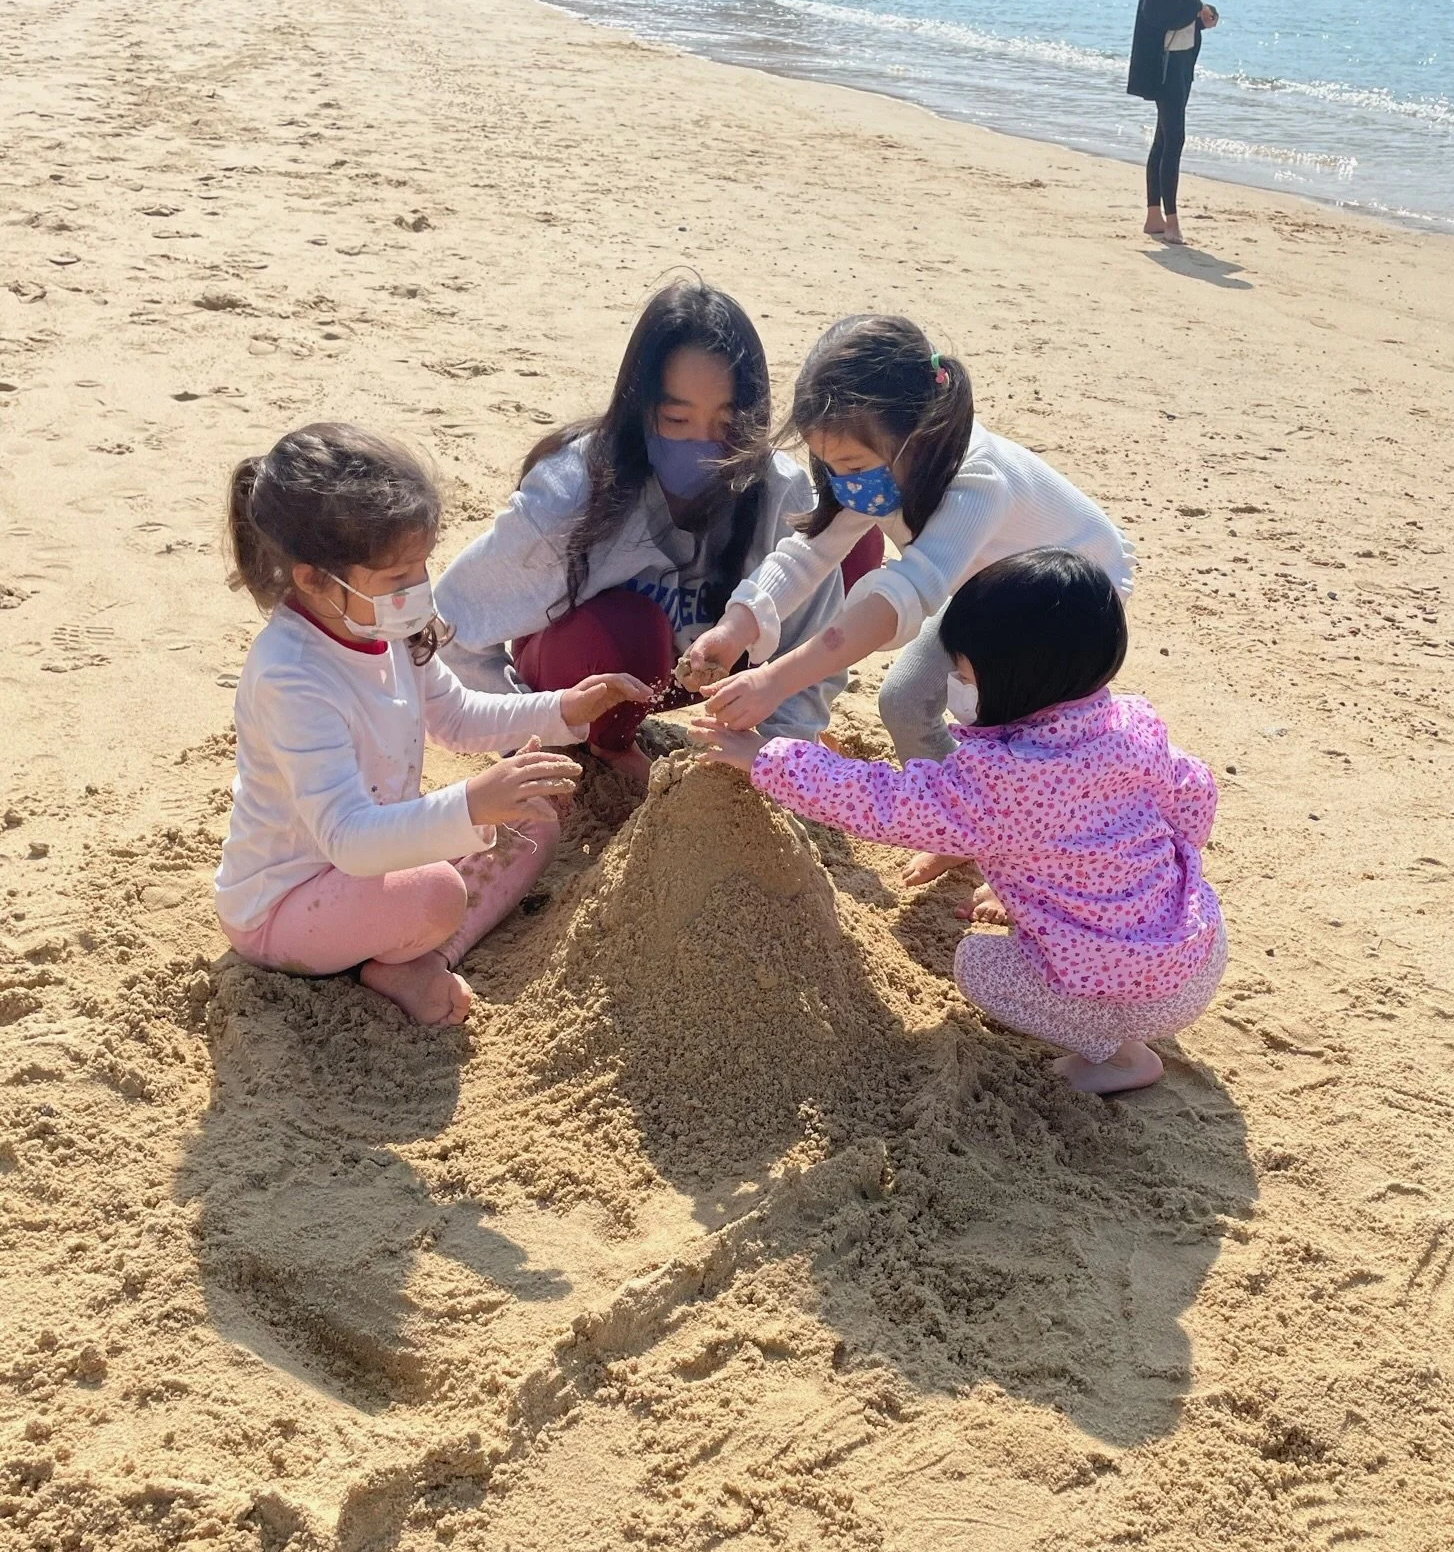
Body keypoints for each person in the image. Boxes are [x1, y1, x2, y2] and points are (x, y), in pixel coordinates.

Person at [695, 551, 1226, 1096]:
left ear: (1014, 681)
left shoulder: (1000, 780)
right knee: (1110, 903)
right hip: (1200, 951)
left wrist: (767, 757)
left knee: (977, 964)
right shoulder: (1132, 725)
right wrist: (1095, 892)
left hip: (1135, 996)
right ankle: (1115, 995)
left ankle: (1122, 1058)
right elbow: (1194, 797)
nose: (953, 682)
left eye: (965, 674)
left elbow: (882, 801)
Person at [213, 423, 649, 1028]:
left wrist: (560, 709)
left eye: (421, 567)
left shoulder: (384, 627)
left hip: (367, 874)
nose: (418, 588)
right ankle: (421, 955)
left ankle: (418, 957)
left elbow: (458, 714)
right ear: (313, 579)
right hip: (284, 906)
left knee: (532, 817)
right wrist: (470, 802)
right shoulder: (292, 676)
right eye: (397, 578)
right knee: (439, 891)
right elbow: (347, 837)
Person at [691, 314, 1132, 905]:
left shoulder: (978, 479)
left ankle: (1034, 856)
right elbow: (809, 553)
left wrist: (775, 680)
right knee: (905, 699)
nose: (843, 483)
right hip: (982, 591)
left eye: (850, 466)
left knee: (1031, 739)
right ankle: (965, 825)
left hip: (1068, 607)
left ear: (919, 434)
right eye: (829, 467)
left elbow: (902, 595)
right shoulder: (880, 469)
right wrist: (734, 626)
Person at [433, 280, 853, 781]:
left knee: (851, 537)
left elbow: (813, 650)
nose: (704, 444)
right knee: (631, 626)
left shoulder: (778, 492)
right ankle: (604, 748)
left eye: (727, 422)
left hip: (705, 674)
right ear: (639, 411)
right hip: (584, 665)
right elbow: (450, 627)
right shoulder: (572, 493)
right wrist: (525, 733)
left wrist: (777, 762)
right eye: (676, 419)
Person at [1127, 0, 1220, 248]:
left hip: (1183, 58)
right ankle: (1172, 221)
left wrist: (1205, 14)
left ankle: (1153, 215)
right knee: (1174, 137)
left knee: (1164, 136)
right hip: (1165, 61)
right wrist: (1193, 10)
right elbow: (1155, 11)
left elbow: (1186, 6)